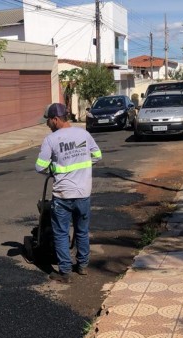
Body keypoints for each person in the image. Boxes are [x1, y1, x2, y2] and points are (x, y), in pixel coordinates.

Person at [35, 103, 102, 283]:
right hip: (83, 193)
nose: (47, 124)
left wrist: (55, 168)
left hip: (63, 195)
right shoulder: (84, 134)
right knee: (81, 231)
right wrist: (83, 167)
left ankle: (65, 272)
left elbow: (39, 166)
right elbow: (97, 156)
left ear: (55, 120)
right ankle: (82, 266)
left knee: (61, 233)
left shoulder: (52, 140)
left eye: (48, 120)